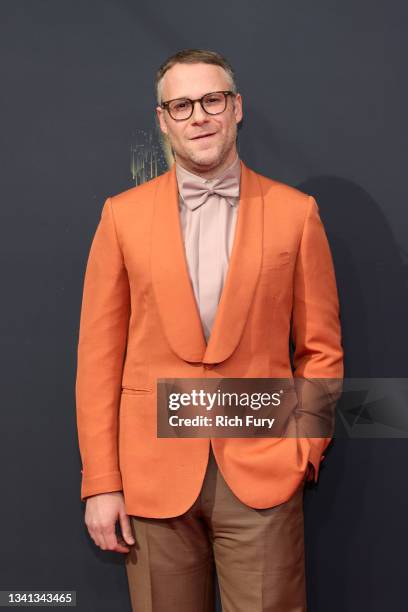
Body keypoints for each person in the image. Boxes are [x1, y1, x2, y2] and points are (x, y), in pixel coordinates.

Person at [75, 48, 344, 612]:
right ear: (163, 119)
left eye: (212, 99)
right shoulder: (120, 217)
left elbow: (320, 351)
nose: (198, 115)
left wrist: (303, 449)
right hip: (152, 483)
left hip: (265, 475)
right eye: (181, 105)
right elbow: (99, 360)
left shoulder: (297, 214)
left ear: (236, 107)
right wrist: (102, 482)